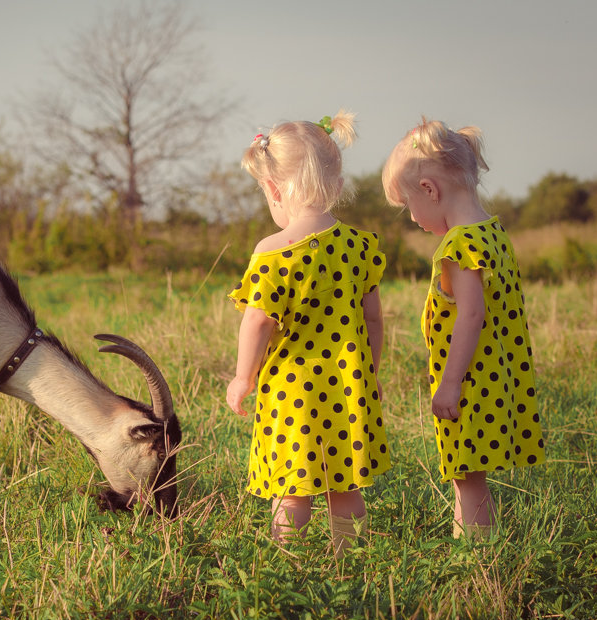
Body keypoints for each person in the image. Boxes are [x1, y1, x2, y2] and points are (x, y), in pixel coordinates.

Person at [226, 111, 389, 554]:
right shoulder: (362, 246)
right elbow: (374, 319)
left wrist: (243, 377)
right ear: (336, 185)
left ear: (275, 189)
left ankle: (288, 561)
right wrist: (369, 370)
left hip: (289, 392)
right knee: (346, 488)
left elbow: (258, 321)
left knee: (292, 489)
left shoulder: (272, 252)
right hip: (349, 389)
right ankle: (348, 560)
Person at [381, 118, 545, 541]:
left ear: (430, 190)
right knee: (472, 476)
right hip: (499, 375)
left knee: (466, 475)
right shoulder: (493, 232)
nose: (412, 217)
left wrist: (450, 384)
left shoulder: (459, 245)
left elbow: (471, 315)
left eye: (408, 205)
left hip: (471, 380)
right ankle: (482, 548)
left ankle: (475, 557)